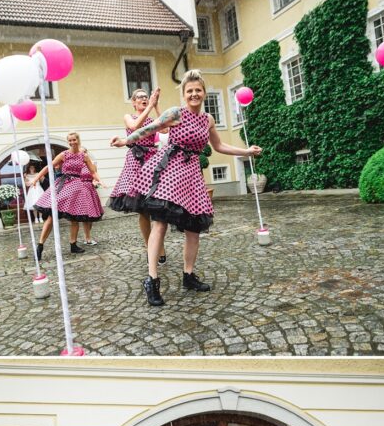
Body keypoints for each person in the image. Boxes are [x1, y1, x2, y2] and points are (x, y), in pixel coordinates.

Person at [113, 68, 262, 308]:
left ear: (203, 93)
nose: (194, 94)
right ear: (184, 94)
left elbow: (219, 145)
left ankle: (188, 275)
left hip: (192, 174)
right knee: (160, 222)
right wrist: (125, 141)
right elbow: (147, 130)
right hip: (170, 169)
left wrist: (246, 151)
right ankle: (152, 280)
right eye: (189, 91)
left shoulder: (208, 119)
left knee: (194, 228)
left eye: (198, 90)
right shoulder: (175, 113)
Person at [109, 83, 166, 263]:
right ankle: (149, 246)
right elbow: (134, 127)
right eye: (140, 97)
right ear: (133, 102)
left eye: (145, 96)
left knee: (155, 206)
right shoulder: (129, 116)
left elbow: (164, 129)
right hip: (136, 159)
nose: (143, 98)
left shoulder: (151, 118)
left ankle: (159, 247)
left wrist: (156, 106)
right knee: (142, 209)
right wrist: (149, 106)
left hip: (152, 158)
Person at [34, 133, 103, 259]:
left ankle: (73, 244)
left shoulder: (84, 156)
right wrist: (36, 178)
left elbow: (93, 171)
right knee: (51, 215)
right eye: (70, 140)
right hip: (63, 185)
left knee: (74, 218)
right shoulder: (64, 154)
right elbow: (48, 167)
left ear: (78, 140)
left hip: (77, 187)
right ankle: (39, 246)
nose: (72, 142)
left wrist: (100, 180)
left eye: (74, 139)